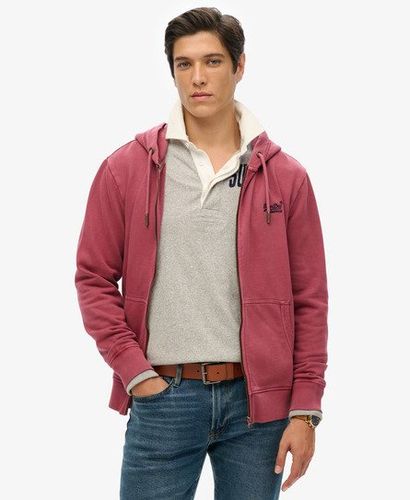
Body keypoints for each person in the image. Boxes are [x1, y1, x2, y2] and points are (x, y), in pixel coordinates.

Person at [74, 6, 328, 499]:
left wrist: (304, 409)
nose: (197, 78)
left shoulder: (286, 177)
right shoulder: (127, 168)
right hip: (163, 397)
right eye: (184, 64)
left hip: (259, 405)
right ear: (172, 71)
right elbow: (93, 278)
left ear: (239, 65)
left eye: (212, 61)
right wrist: (134, 371)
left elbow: (310, 299)